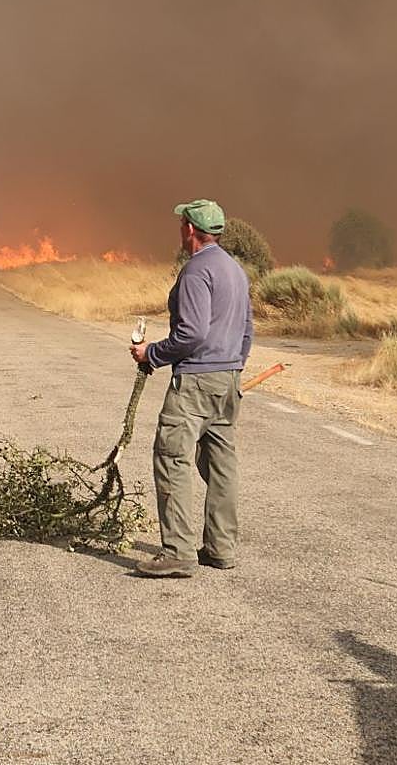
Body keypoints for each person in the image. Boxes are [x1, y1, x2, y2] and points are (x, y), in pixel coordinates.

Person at [129, 199, 253, 577]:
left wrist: (152, 353)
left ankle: (178, 552)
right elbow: (247, 331)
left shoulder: (197, 271)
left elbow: (192, 333)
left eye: (181, 225)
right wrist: (232, 364)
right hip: (227, 380)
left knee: (172, 459)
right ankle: (221, 548)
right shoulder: (234, 270)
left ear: (189, 229)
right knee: (221, 467)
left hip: (196, 382)